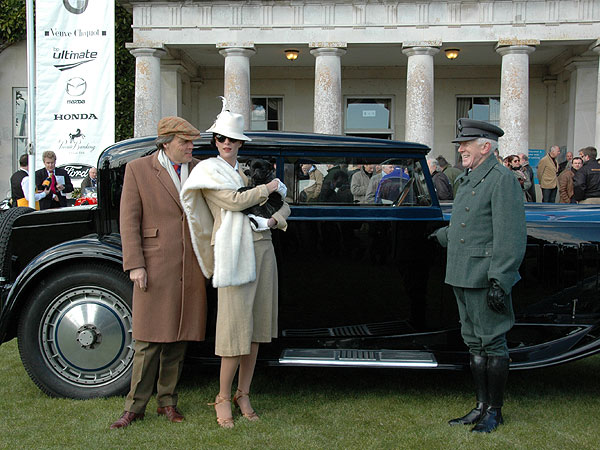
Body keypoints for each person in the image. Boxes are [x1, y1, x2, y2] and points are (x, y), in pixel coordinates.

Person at [181, 100, 290, 429]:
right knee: (233, 332)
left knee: (255, 331)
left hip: (262, 251)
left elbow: (285, 207)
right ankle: (222, 397)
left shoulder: (249, 172)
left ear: (241, 142)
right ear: (215, 141)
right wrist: (267, 189)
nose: (226, 144)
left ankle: (244, 393)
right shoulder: (209, 172)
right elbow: (232, 201)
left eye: (232, 139)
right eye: (220, 139)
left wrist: (274, 222)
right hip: (232, 254)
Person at [110, 116, 208, 429]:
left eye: (192, 142)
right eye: (185, 142)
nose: (191, 147)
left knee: (178, 338)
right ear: (166, 143)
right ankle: (134, 407)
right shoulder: (138, 169)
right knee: (148, 342)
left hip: (191, 264)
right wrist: (135, 265)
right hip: (154, 266)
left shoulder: (200, 168)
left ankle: (168, 402)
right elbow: (129, 221)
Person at [430, 118, 526, 433]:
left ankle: (494, 411)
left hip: (485, 276)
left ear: (485, 146)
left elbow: (509, 235)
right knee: (474, 343)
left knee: (493, 343)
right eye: (460, 145)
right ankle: (480, 406)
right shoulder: (470, 179)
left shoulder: (501, 179)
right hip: (460, 273)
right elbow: (467, 224)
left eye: (465, 144)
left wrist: (501, 279)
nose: (460, 150)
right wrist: (439, 235)